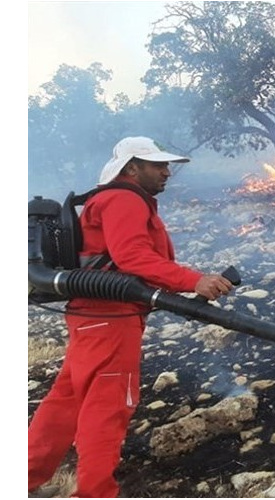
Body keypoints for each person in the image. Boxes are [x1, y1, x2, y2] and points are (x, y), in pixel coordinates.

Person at [28, 137, 235, 497]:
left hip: (93, 317)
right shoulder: (123, 199)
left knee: (67, 401)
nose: (167, 172)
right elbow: (132, 256)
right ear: (132, 168)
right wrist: (194, 280)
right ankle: (95, 492)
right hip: (111, 320)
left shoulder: (109, 198)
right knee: (107, 409)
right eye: (158, 165)